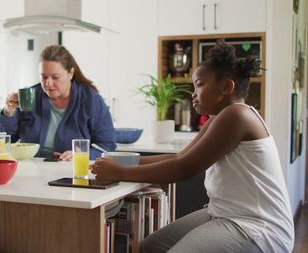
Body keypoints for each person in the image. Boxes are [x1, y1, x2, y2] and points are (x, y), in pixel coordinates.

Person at [91, 41, 294, 252]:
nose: (193, 93)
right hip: (225, 213)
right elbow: (178, 157)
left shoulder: (237, 115)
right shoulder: (219, 117)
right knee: (150, 247)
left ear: (226, 87)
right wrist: (118, 162)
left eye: (199, 84)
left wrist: (120, 172)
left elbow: (184, 168)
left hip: (257, 227)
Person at [0, 45, 116, 161]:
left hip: (70, 171)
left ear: (71, 73)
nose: (48, 83)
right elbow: (3, 142)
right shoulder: (31, 96)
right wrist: (9, 111)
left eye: (55, 77)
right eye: (43, 77)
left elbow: (107, 145)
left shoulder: (91, 100)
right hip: (31, 169)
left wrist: (83, 155)